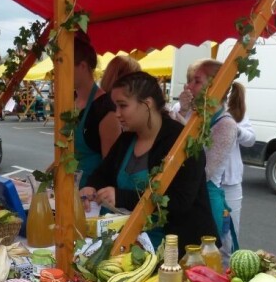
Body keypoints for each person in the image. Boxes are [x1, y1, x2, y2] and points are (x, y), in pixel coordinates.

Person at [79, 71, 216, 252]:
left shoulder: (182, 143)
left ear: (147, 104)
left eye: (123, 106)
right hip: (131, 242)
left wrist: (121, 197)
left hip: (176, 250)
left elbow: (180, 201)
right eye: (115, 107)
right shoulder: (127, 138)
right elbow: (103, 172)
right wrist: (91, 186)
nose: (117, 114)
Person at [179, 59, 256, 265]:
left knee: (208, 262)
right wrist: (182, 112)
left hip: (205, 199)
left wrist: (181, 120)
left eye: (196, 81)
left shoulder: (226, 125)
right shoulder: (197, 116)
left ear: (215, 87)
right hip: (189, 195)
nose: (189, 87)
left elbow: (203, 172)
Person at [73, 34, 119, 187]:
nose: (57, 74)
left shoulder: (105, 108)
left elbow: (110, 167)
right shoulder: (68, 100)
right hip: (67, 190)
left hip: (92, 198)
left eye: (63, 67)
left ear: (83, 66)